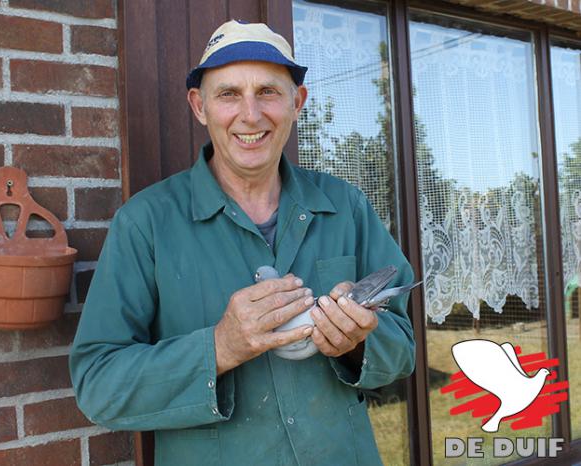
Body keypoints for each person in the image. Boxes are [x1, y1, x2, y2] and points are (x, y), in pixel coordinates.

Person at [70, 20, 415, 465]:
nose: (250, 115)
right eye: (229, 94)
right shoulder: (145, 223)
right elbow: (98, 386)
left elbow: (402, 345)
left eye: (268, 92)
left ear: (298, 101)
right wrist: (219, 347)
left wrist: (358, 343)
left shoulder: (344, 205)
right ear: (200, 106)